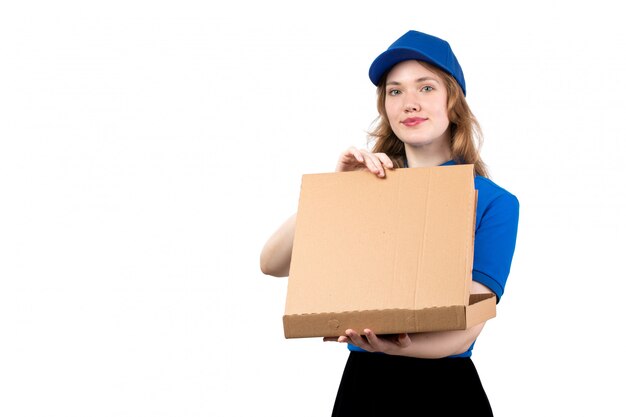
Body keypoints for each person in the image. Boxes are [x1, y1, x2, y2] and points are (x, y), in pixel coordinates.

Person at [259, 29, 519, 416]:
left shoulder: (494, 201)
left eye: (426, 88)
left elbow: (466, 328)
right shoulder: (369, 190)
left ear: (453, 103)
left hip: (443, 392)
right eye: (395, 91)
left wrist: (399, 346)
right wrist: (337, 191)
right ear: (385, 107)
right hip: (364, 388)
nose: (409, 103)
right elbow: (272, 263)